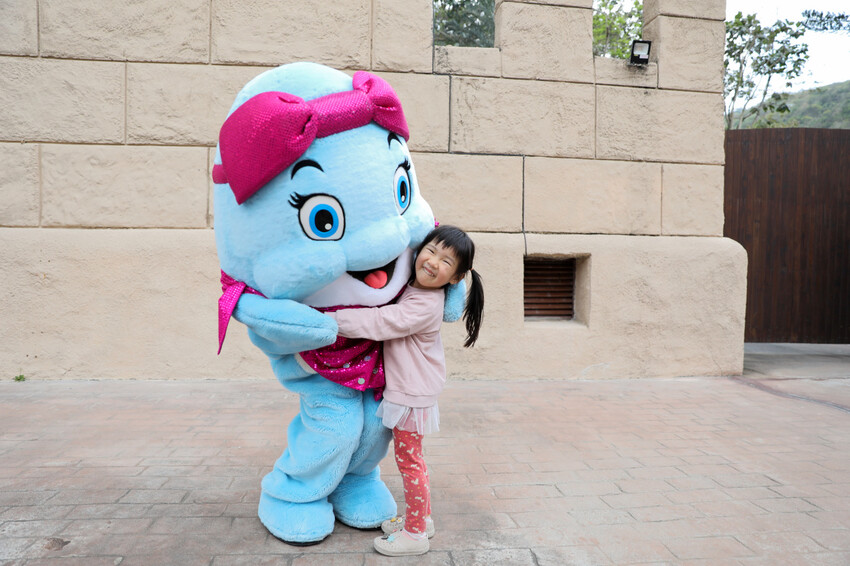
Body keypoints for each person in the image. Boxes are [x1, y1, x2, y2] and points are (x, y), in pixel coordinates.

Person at [326, 225, 484, 556]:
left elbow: (382, 322)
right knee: (412, 459)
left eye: (446, 262)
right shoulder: (413, 285)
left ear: (455, 278)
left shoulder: (425, 304)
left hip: (412, 393)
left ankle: (414, 534)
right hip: (412, 388)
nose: (433, 262)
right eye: (431, 250)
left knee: (410, 462)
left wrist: (332, 320)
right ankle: (421, 519)